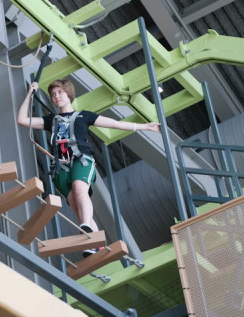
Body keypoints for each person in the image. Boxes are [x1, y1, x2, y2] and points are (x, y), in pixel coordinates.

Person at [17, 79, 161, 257]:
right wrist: (30, 93)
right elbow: (22, 120)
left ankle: (86, 232)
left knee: (80, 189)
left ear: (68, 94)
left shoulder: (84, 116)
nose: (56, 97)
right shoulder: (51, 120)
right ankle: (94, 242)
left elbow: (115, 124)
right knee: (77, 206)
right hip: (61, 168)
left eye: (60, 92)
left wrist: (145, 126)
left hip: (81, 160)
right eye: (53, 95)